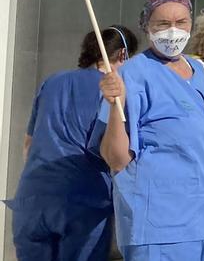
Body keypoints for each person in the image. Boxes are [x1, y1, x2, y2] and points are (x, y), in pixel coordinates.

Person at [96, 0, 204, 260]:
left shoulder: (201, 71)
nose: (173, 31)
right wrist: (114, 105)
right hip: (161, 230)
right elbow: (116, 158)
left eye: (181, 22)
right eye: (162, 24)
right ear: (146, 26)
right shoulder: (133, 75)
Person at [12, 27, 137, 261]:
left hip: (33, 197)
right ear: (123, 55)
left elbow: (28, 145)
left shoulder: (52, 82)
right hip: (83, 200)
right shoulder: (114, 95)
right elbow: (115, 153)